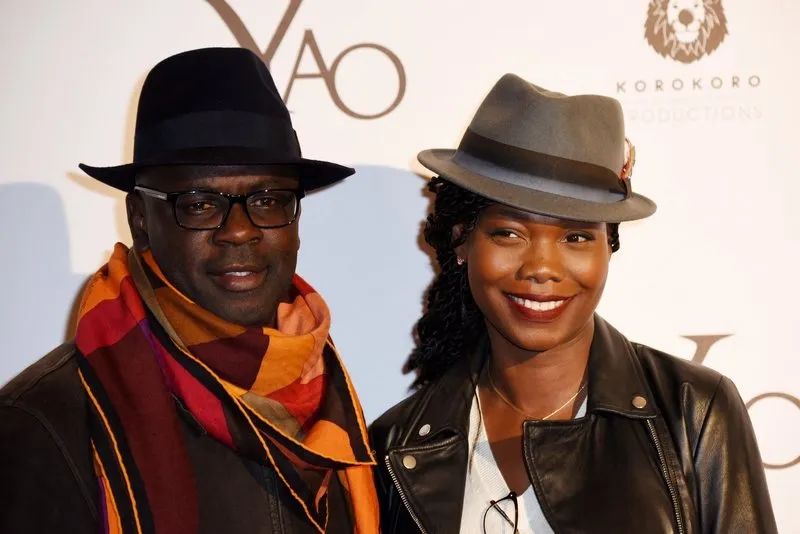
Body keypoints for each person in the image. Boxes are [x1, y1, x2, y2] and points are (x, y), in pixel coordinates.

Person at [369, 74, 777, 533]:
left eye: (577, 236)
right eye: (509, 232)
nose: (542, 267)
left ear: (609, 248)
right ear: (462, 240)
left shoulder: (693, 412)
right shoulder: (396, 448)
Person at [0, 47, 379, 534]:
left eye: (267, 200)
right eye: (200, 204)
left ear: (296, 220)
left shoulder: (324, 386)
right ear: (141, 221)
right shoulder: (42, 426)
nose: (239, 231)